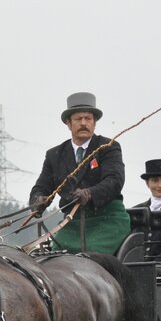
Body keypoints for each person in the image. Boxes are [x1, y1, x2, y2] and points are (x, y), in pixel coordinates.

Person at [28, 92, 129, 254]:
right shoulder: (54, 155)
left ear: (94, 123)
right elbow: (41, 187)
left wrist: (90, 193)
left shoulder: (108, 147)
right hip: (71, 225)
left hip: (108, 221)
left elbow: (114, 180)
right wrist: (37, 201)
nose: (84, 123)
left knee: (89, 257)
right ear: (68, 123)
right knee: (50, 259)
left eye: (88, 119)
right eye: (78, 119)